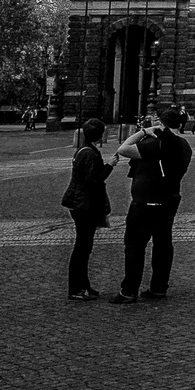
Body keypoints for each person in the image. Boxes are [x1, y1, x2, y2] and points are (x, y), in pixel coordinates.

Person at [110, 106, 193, 304]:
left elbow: (123, 149)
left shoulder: (155, 144)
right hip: (170, 200)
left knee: (135, 247)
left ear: (161, 124)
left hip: (145, 202)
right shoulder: (184, 146)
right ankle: (158, 288)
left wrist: (145, 131)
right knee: (163, 245)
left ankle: (129, 291)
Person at [60, 118, 117, 301]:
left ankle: (83, 285)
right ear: (101, 134)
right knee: (82, 248)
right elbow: (93, 180)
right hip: (84, 204)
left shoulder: (85, 150)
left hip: (81, 202)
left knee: (85, 247)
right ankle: (76, 288)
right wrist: (109, 166)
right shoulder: (89, 154)